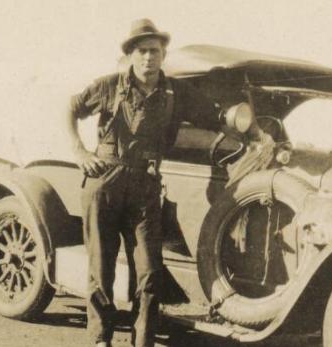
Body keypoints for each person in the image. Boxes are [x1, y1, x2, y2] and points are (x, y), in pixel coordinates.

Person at [66, 18, 221, 347]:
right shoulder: (109, 86)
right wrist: (79, 151)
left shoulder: (175, 92)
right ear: (130, 55)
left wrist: (251, 128)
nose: (149, 57)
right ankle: (100, 339)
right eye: (142, 51)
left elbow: (216, 115)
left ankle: (144, 341)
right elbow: (72, 107)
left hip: (145, 187)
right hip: (104, 182)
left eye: (155, 51)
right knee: (101, 267)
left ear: (164, 54)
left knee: (150, 272)